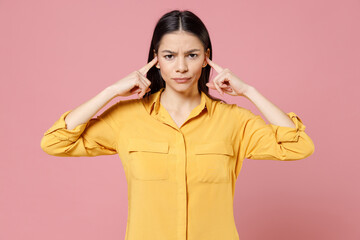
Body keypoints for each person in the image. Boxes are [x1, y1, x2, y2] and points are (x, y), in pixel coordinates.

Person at [40, 9, 315, 240]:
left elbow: (298, 146)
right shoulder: (128, 118)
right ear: (155, 60)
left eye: (192, 55)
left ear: (206, 57)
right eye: (170, 56)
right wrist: (110, 91)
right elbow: (55, 142)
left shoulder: (233, 121)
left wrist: (249, 92)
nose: (181, 67)